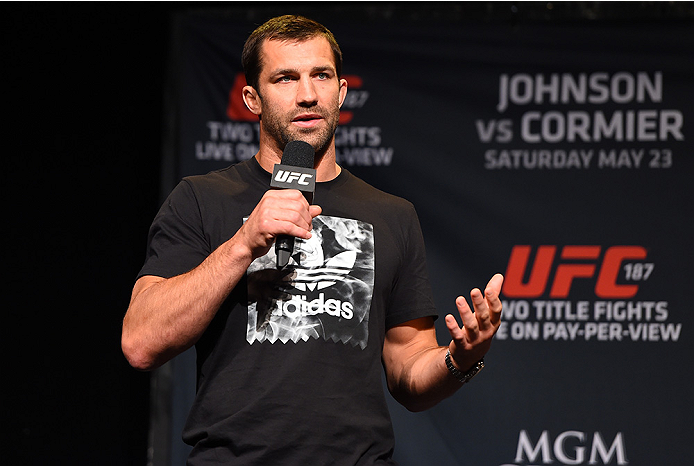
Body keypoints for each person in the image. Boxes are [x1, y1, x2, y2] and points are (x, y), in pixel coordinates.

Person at [122, 14, 503, 465]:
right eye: (285, 78)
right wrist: (243, 243)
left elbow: (408, 369)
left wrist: (460, 359)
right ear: (252, 98)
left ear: (341, 91)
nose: (307, 94)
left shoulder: (392, 214)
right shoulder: (202, 199)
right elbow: (141, 341)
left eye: (321, 75)